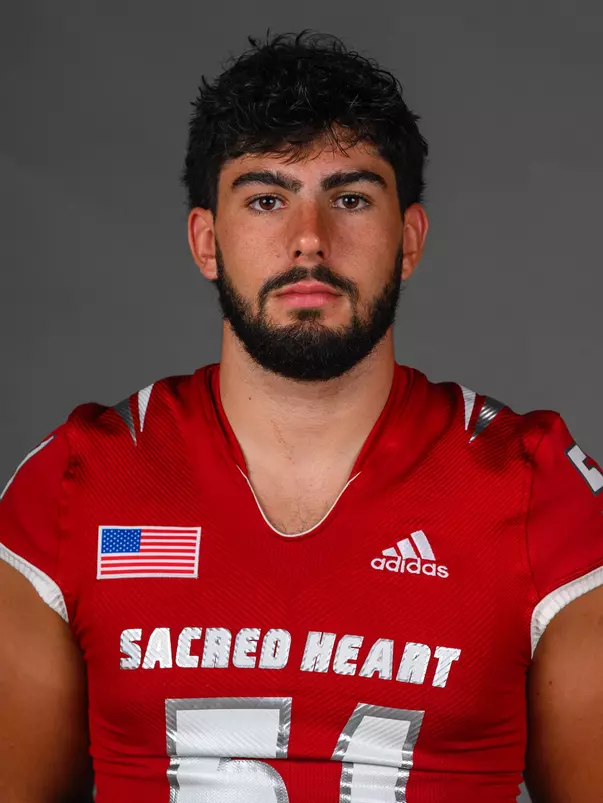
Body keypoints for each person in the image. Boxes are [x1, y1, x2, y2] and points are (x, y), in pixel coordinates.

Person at [1, 29, 602, 803]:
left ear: (408, 239)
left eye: (349, 198)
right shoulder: (75, 482)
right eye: (266, 199)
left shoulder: (536, 487)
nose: (309, 240)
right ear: (206, 241)